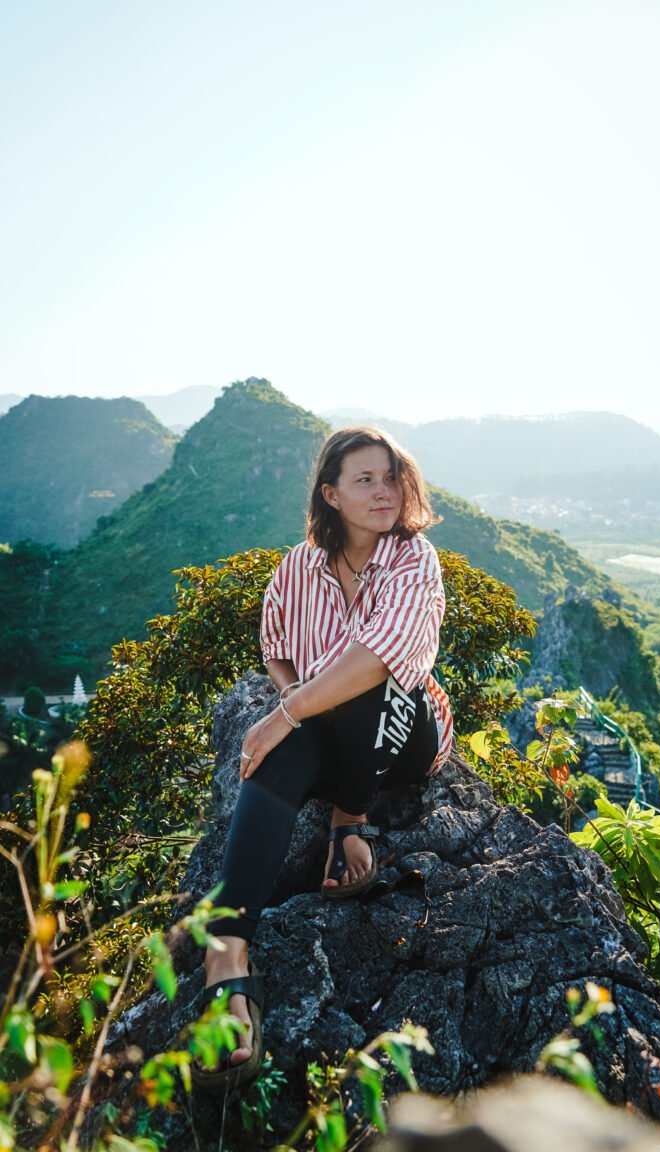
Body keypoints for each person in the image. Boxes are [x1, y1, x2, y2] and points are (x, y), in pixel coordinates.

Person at [190, 427, 453, 1093]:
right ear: (331, 495)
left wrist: (287, 714)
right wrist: (290, 702)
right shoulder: (300, 565)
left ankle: (348, 821)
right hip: (328, 728)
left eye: (391, 476)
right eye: (364, 480)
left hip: (402, 734)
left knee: (354, 686)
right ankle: (226, 957)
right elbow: (275, 643)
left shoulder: (413, 560)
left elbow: (372, 664)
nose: (383, 491)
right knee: (276, 757)